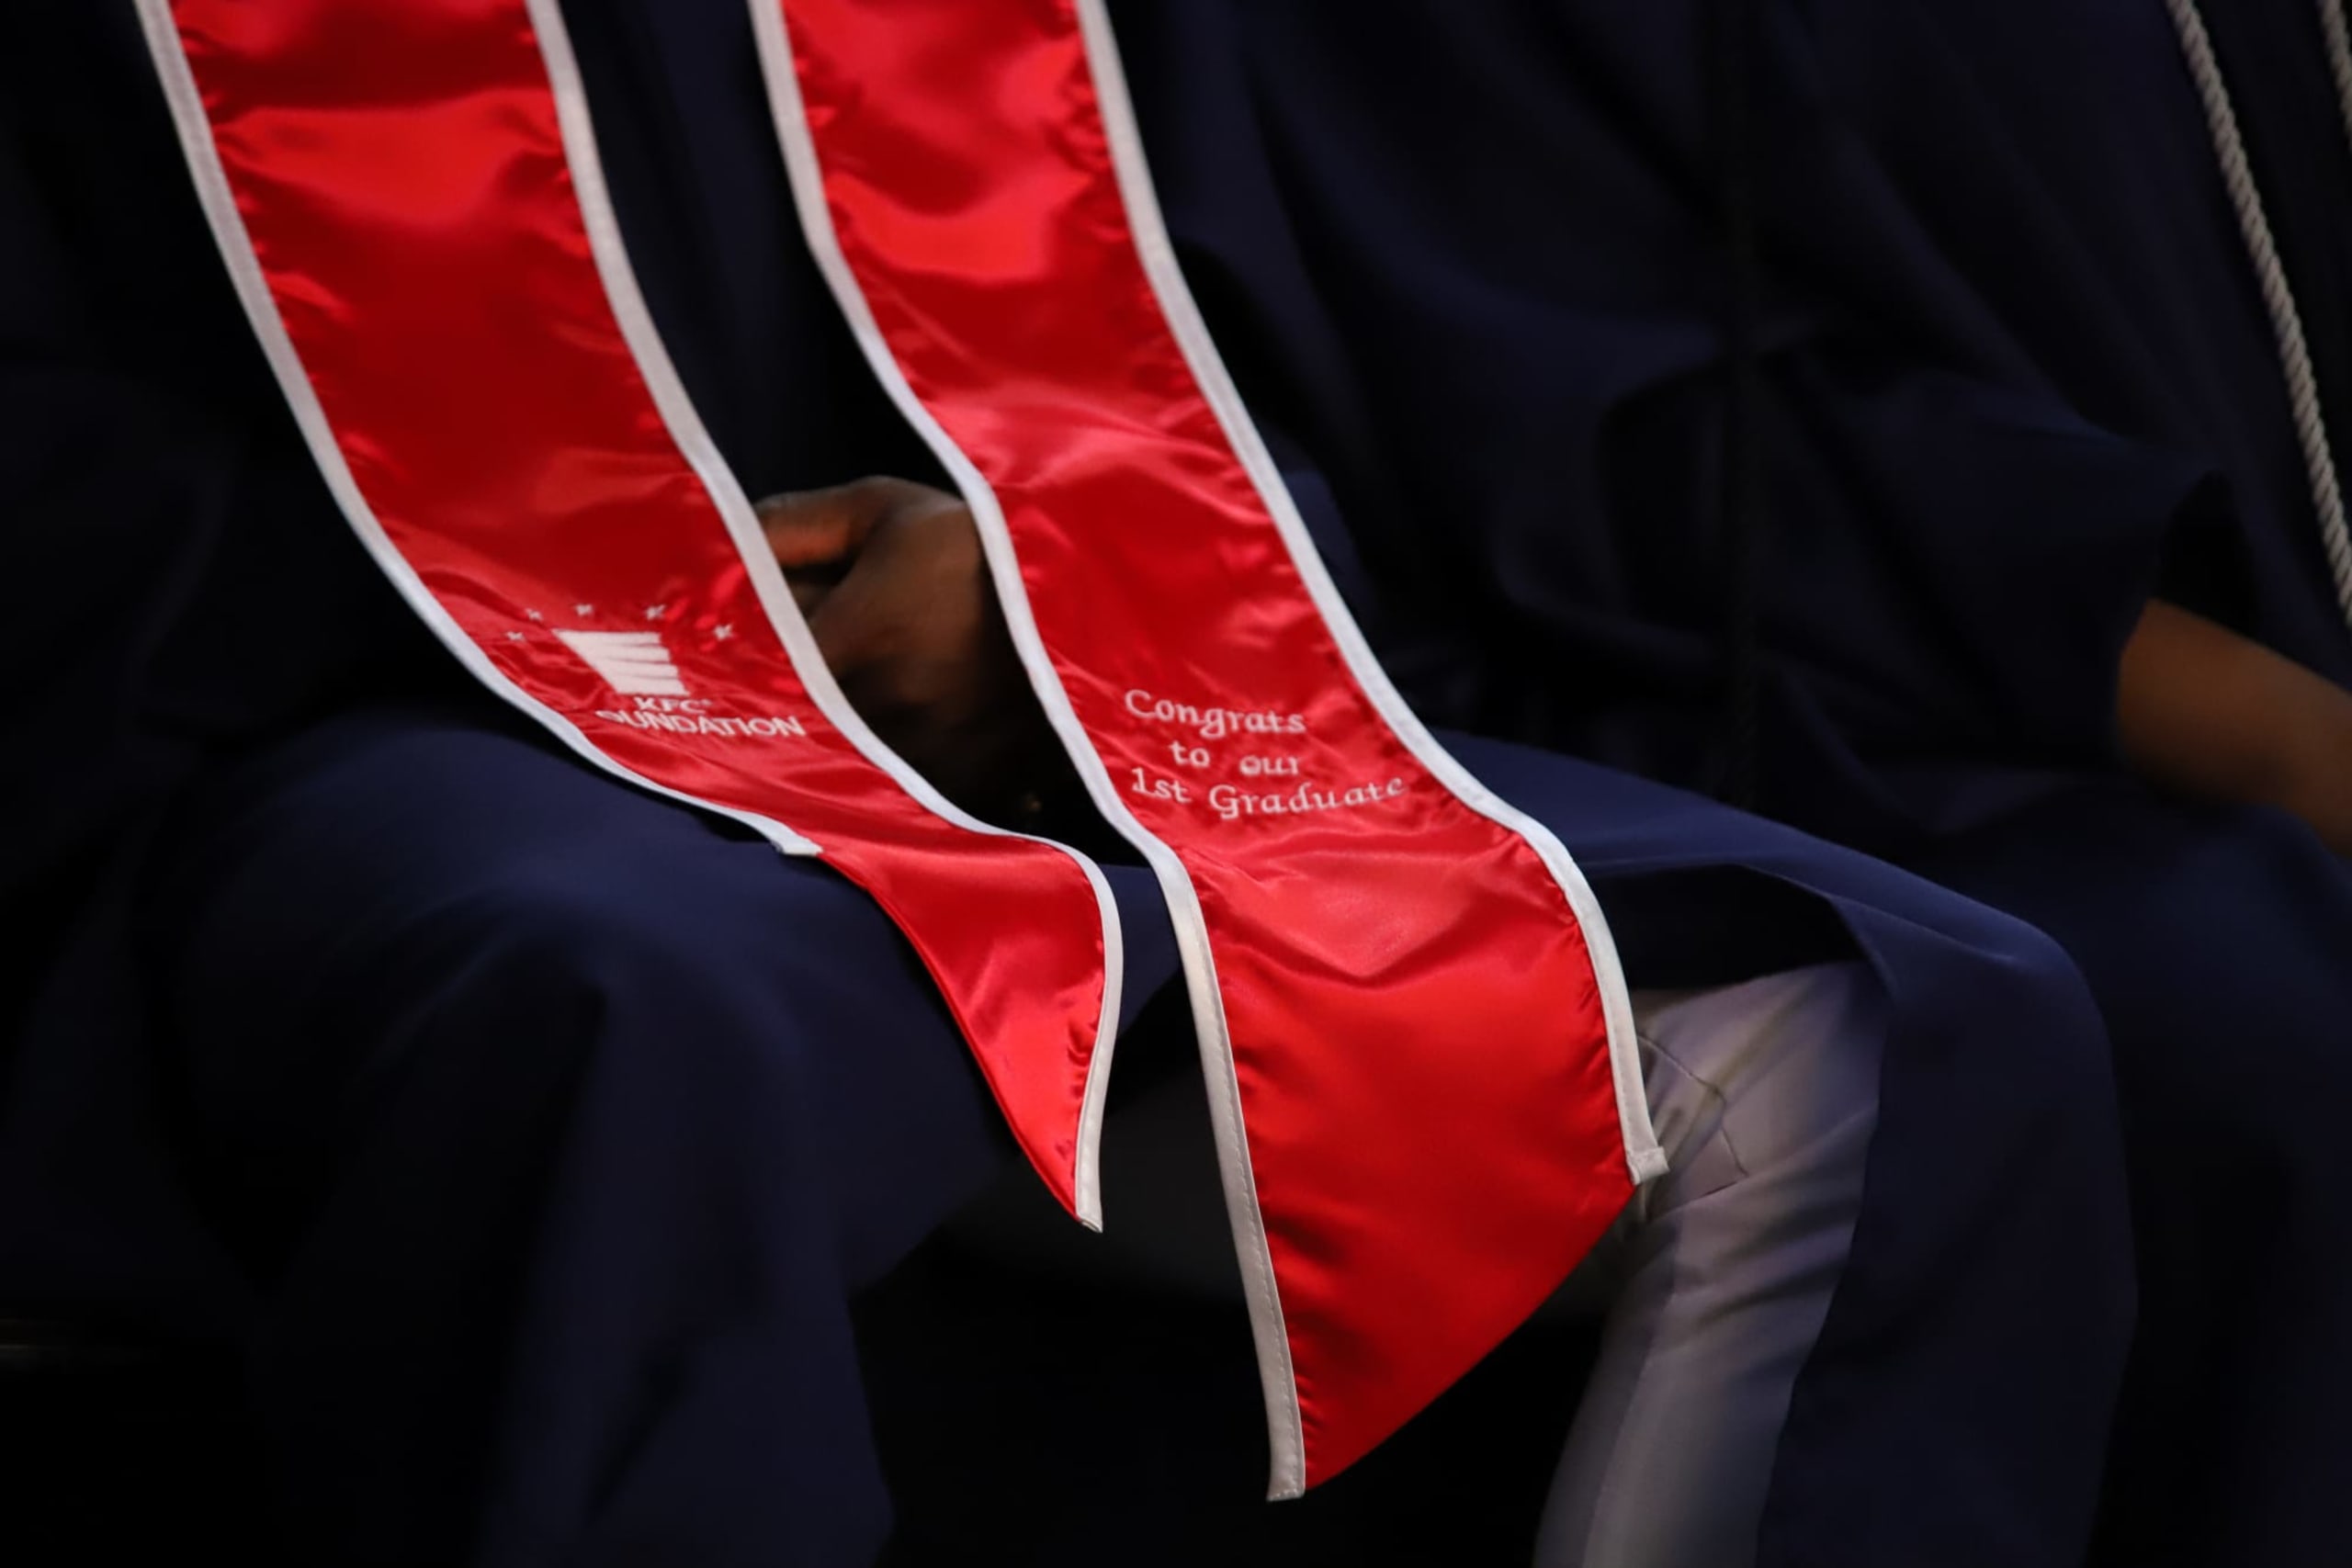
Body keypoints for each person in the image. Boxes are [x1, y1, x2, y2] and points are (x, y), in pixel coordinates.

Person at [0, 1, 2131, 1563]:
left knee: (1900, 1006)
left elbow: (1273, 352)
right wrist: (564, 586)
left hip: (1061, 703)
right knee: (643, 990)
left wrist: (1036, 573)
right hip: (391, 698)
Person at [1147, 0, 2350, 1560]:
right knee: (2239, 1021)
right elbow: (1625, 438)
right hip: (1755, 710)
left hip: (2215, 672)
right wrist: (2288, 741)